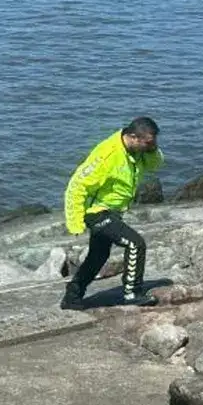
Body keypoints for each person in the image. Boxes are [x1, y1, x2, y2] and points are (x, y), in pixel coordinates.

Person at [61, 117, 164, 310]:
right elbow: (76, 186)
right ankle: (132, 292)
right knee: (135, 243)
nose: (152, 146)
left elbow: (156, 164)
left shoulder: (136, 151)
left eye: (154, 142)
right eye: (149, 143)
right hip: (97, 212)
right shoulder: (107, 155)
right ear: (133, 137)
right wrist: (74, 222)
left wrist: (151, 148)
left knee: (98, 257)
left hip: (114, 212)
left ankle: (71, 298)